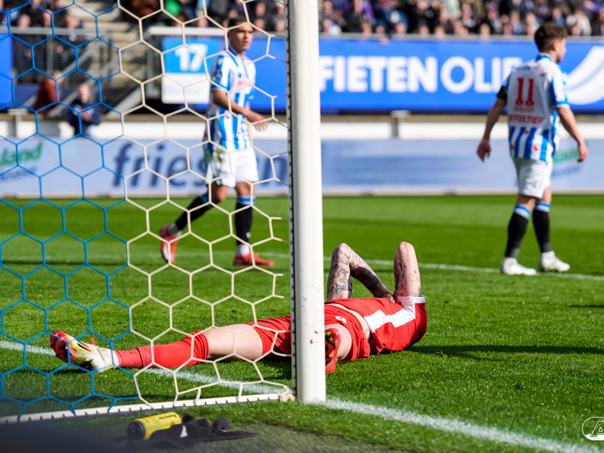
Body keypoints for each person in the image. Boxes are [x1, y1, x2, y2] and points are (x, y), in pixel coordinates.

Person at [50, 241, 427, 375]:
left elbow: (405, 249)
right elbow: (344, 253)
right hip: (299, 322)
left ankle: (322, 355)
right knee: (206, 341)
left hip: (350, 331)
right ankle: (109, 358)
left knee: (338, 334)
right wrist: (384, 293)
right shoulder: (380, 303)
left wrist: (391, 297)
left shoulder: (412, 316)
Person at [476, 22, 588, 276]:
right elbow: (562, 109)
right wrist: (580, 140)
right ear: (555, 45)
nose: (566, 50)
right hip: (539, 144)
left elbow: (497, 106)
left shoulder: (517, 71)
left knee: (543, 194)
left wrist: (486, 137)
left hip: (517, 143)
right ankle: (510, 260)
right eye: (565, 45)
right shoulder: (553, 72)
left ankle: (547, 255)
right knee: (526, 198)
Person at [159, 17, 272, 268]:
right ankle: (171, 231)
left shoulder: (250, 65)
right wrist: (248, 114)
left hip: (242, 138)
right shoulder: (223, 60)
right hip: (220, 135)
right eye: (241, 31)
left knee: (247, 190)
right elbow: (218, 96)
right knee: (218, 195)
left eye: (250, 32)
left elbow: (246, 100)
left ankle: (242, 252)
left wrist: (248, 131)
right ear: (229, 34)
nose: (247, 36)